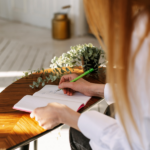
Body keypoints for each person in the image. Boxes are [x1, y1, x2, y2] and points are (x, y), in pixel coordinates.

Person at [30, 0, 150, 149]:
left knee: (77, 132)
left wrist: (65, 115)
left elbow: (134, 144)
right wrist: (93, 88)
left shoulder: (142, 36)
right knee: (109, 111)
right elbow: (142, 92)